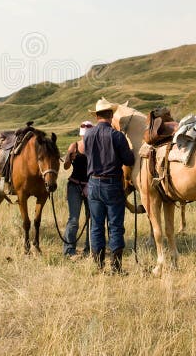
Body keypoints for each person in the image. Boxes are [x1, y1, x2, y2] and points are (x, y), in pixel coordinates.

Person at [77, 98, 134, 273]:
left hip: (93, 183)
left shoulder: (88, 135)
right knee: (115, 226)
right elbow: (129, 160)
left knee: (96, 225)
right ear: (110, 115)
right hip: (112, 184)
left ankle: (98, 266)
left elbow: (84, 152)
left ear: (97, 117)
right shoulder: (117, 136)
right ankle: (116, 267)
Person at [62, 121, 92, 258]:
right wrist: (69, 157)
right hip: (74, 185)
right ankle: (69, 250)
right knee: (73, 219)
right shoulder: (73, 146)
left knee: (91, 219)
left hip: (91, 185)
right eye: (83, 135)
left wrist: (88, 184)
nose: (85, 137)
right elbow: (66, 167)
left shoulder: (96, 147)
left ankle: (90, 249)